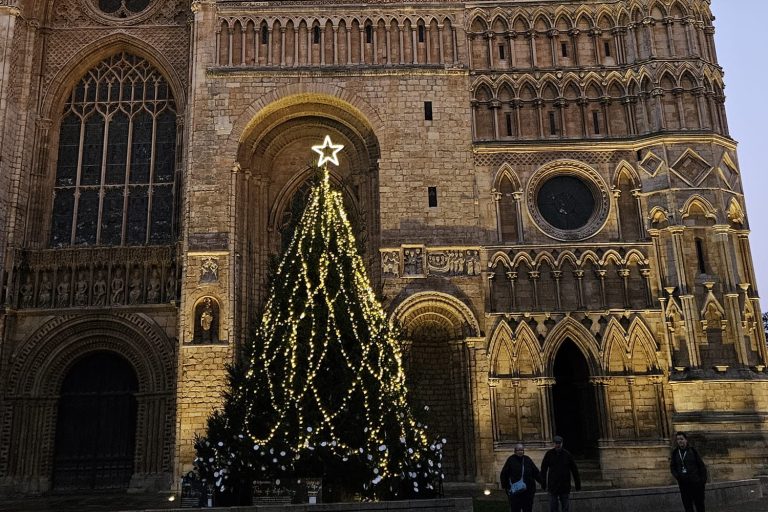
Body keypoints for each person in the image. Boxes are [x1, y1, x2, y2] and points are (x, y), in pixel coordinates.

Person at [540, 435, 581, 512]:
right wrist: (543, 483)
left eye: (559, 443)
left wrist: (577, 485)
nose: (558, 445)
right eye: (556, 443)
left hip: (564, 485)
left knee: (565, 507)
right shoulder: (549, 454)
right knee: (553, 507)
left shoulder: (567, 454)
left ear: (562, 443)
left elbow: (574, 470)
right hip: (553, 485)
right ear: (553, 443)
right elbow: (543, 469)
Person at [670, 431, 707, 512]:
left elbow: (701, 466)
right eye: (678, 439)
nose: (680, 441)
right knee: (688, 506)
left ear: (686, 440)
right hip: (684, 485)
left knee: (699, 505)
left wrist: (702, 482)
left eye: (681, 439)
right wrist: (678, 476)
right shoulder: (675, 453)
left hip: (696, 484)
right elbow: (672, 467)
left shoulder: (692, 451)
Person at [500, 443, 542, 512]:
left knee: (528, 509)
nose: (520, 451)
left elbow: (535, 472)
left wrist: (542, 482)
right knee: (515, 509)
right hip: (515, 492)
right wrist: (506, 487)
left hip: (528, 491)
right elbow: (504, 474)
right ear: (515, 451)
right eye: (518, 450)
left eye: (522, 450)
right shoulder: (511, 460)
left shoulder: (527, 459)